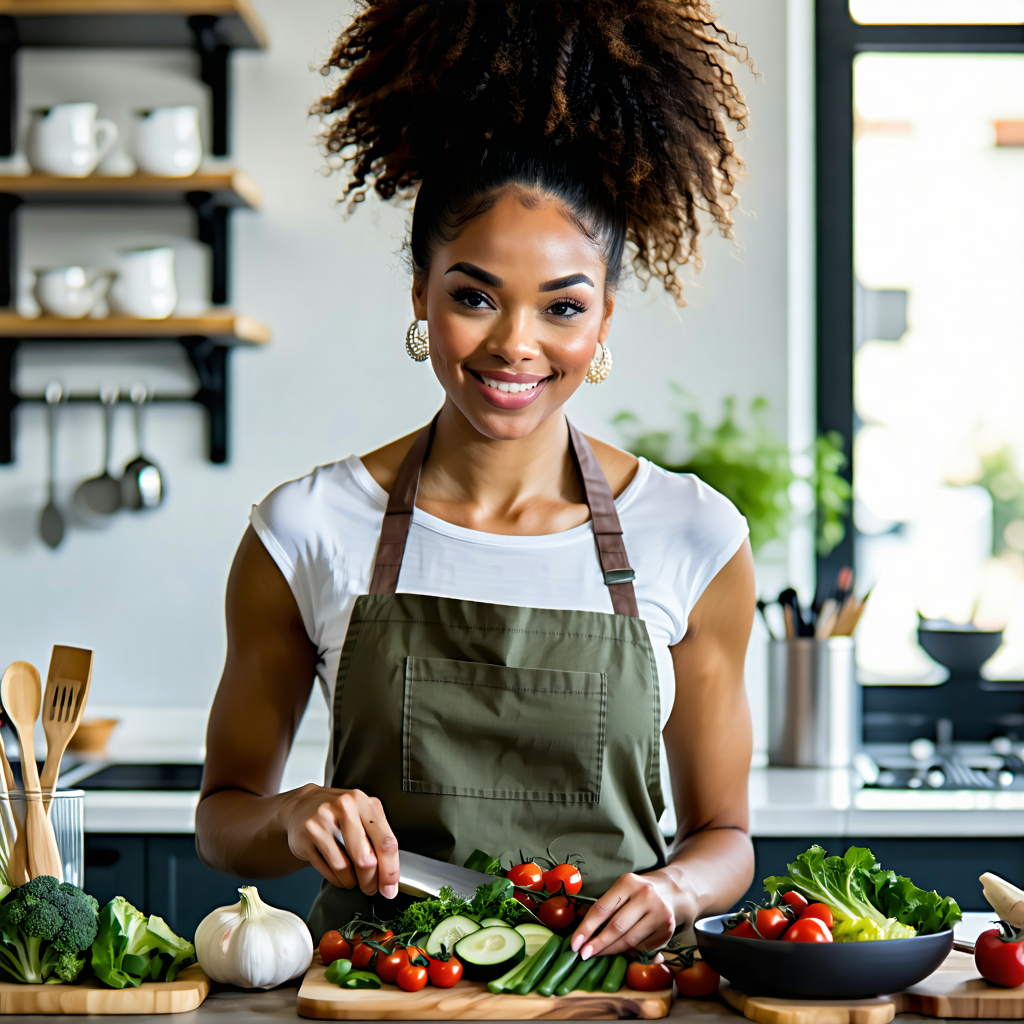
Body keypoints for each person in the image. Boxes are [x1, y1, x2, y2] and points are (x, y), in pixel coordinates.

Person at [197, 0, 757, 959]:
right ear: (421, 294)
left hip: (607, 999)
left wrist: (675, 890)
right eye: (474, 296)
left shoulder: (692, 535)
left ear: (604, 319)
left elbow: (726, 837)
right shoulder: (306, 529)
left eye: (562, 307)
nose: (516, 345)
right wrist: (293, 814)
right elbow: (222, 819)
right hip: (382, 994)